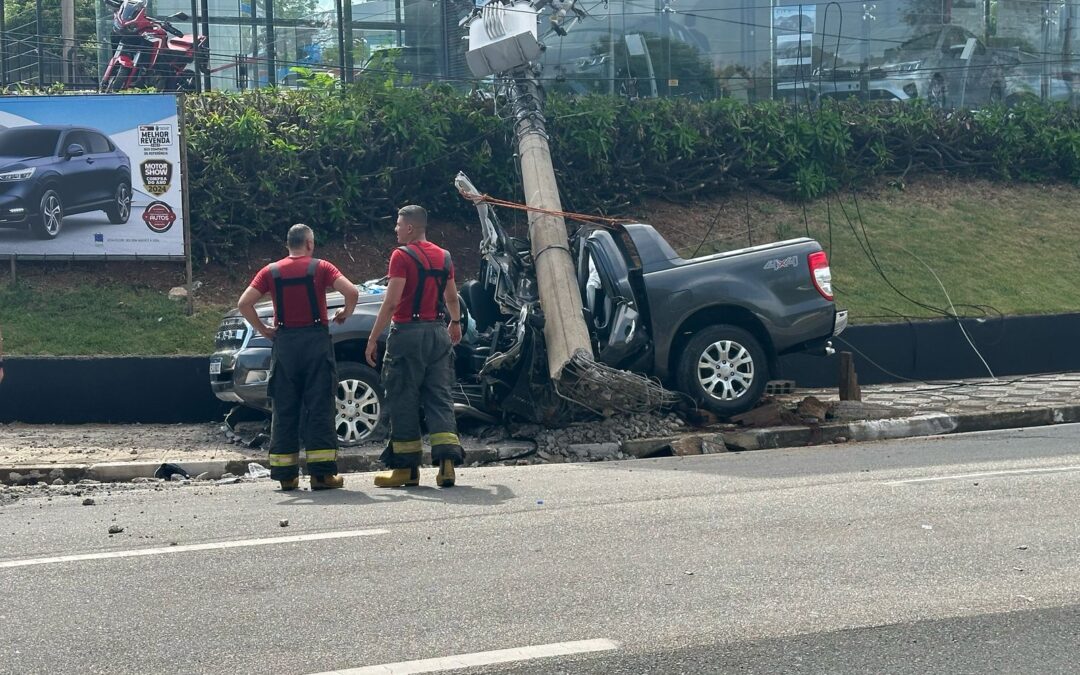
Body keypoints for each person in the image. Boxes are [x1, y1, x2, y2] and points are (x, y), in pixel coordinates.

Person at [238, 224, 359, 491]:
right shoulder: (322, 268)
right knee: (320, 406)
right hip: (316, 342)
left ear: (287, 245)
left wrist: (264, 329)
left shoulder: (270, 271)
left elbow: (244, 303)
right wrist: (344, 314)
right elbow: (351, 292)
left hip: (286, 344)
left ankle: (286, 475)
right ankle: (322, 475)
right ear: (310, 244)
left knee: (284, 407)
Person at [365, 205, 465, 488]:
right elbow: (452, 298)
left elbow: (392, 301)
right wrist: (455, 323)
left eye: (398, 224)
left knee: (403, 398)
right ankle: (447, 465)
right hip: (437, 333)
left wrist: (373, 338)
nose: (395, 229)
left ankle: (406, 470)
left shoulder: (401, 256)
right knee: (439, 397)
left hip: (408, 334)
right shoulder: (444, 256)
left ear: (410, 227)